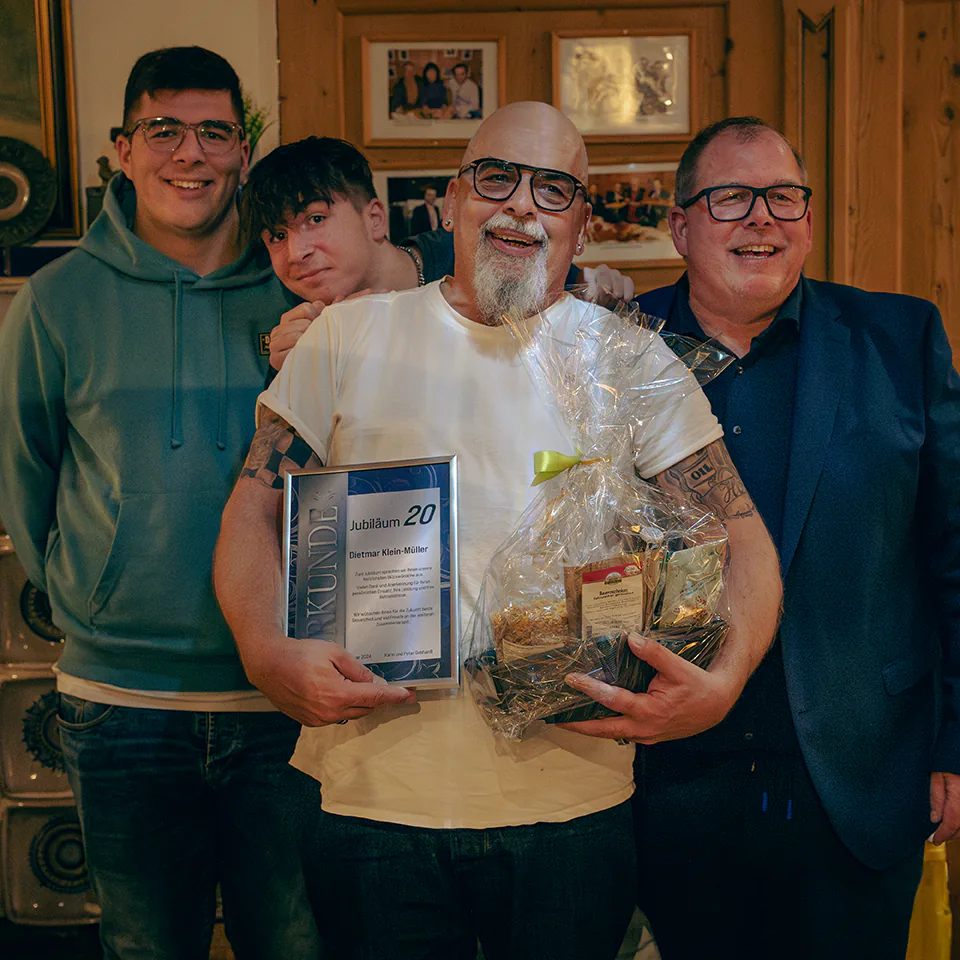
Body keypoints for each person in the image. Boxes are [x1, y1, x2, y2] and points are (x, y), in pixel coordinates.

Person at [214, 101, 781, 960]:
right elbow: (252, 508)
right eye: (497, 178)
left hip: (572, 807)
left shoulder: (631, 361)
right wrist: (261, 646)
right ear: (450, 200)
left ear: (582, 225)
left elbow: (744, 540)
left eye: (554, 189)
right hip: (371, 801)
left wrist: (725, 679)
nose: (522, 204)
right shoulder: (347, 335)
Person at [603, 115, 960, 959]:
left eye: (784, 196)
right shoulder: (610, 347)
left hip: (863, 776)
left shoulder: (899, 339)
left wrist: (955, 745)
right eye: (731, 197)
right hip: (667, 783)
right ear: (681, 227)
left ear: (807, 221)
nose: (762, 217)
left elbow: (952, 554)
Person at [0, 46, 320, 959]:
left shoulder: (301, 291)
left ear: (244, 154)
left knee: (295, 943)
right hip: (120, 701)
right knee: (147, 946)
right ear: (123, 150)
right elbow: (25, 477)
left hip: (283, 694)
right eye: (164, 130)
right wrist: (83, 599)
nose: (191, 153)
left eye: (216, 131)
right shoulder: (57, 301)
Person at [242, 135, 635, 374]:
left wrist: (600, 287)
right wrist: (290, 376)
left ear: (375, 218)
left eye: (315, 219)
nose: (297, 252)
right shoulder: (301, 328)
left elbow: (583, 291)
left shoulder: (471, 255)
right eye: (277, 235)